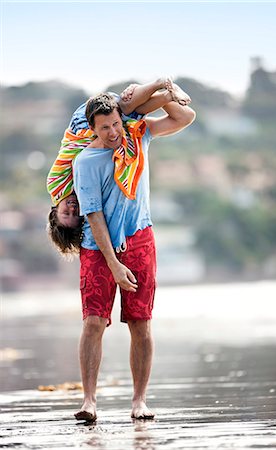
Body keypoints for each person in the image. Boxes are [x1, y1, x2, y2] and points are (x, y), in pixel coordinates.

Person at [72, 81, 195, 422]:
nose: (112, 132)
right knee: (94, 322)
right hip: (98, 248)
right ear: (92, 129)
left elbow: (185, 117)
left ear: (120, 119)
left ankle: (140, 400)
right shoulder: (85, 162)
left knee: (141, 322)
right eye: (104, 128)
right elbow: (93, 214)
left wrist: (167, 92)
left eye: (115, 124)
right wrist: (112, 263)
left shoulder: (137, 136)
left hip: (139, 238)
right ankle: (89, 401)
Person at [47, 78, 191, 255]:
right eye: (75, 215)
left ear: (54, 213)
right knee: (129, 110)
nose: (72, 209)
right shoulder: (78, 191)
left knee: (123, 107)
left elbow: (73, 156)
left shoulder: (55, 185)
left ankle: (160, 84)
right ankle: (167, 93)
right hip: (98, 133)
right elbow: (187, 117)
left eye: (65, 214)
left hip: (80, 130)